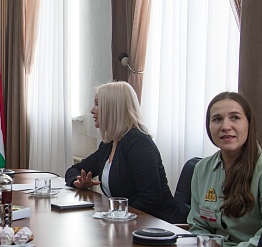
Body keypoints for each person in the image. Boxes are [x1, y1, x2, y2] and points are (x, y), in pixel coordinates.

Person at [188, 91, 262, 247]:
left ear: (249, 124)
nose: (225, 126)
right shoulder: (202, 169)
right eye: (217, 119)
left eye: (235, 118)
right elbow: (198, 225)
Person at [65, 81, 187, 224]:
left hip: (156, 226)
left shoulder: (138, 143)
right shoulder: (109, 144)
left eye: (97, 104)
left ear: (113, 108)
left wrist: (115, 214)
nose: (92, 110)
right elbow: (74, 170)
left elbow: (150, 199)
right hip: (126, 223)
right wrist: (78, 182)